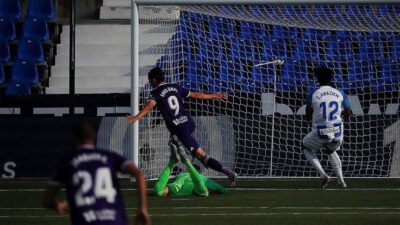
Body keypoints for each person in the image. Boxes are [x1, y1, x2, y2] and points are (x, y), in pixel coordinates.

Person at [128, 67, 237, 184]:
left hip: (181, 129)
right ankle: (182, 154)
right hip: (188, 123)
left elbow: (148, 108)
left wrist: (136, 117)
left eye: (150, 81)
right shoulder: (175, 87)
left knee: (201, 155)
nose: (150, 83)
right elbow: (195, 95)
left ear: (154, 80)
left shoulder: (155, 93)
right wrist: (214, 95)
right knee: (175, 142)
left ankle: (227, 172)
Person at [43, 122, 151, 225]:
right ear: (94, 137)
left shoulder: (67, 161)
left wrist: (57, 205)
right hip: (115, 221)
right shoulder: (109, 156)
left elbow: (47, 200)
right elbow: (139, 174)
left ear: (74, 139)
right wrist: (143, 208)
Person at [303, 67, 353, 188]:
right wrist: (340, 116)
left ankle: (323, 175)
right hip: (337, 131)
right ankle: (342, 182)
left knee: (305, 146)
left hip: (320, 131)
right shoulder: (340, 92)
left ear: (317, 79)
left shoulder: (313, 93)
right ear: (331, 79)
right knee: (331, 149)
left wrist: (315, 118)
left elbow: (308, 114)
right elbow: (349, 111)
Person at [153, 142, 227, 197]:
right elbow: (223, 190)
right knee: (203, 191)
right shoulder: (203, 178)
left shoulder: (181, 175)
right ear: (198, 172)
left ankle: (172, 161)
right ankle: (187, 162)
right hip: (195, 190)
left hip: (176, 189)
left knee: (158, 191)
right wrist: (214, 191)